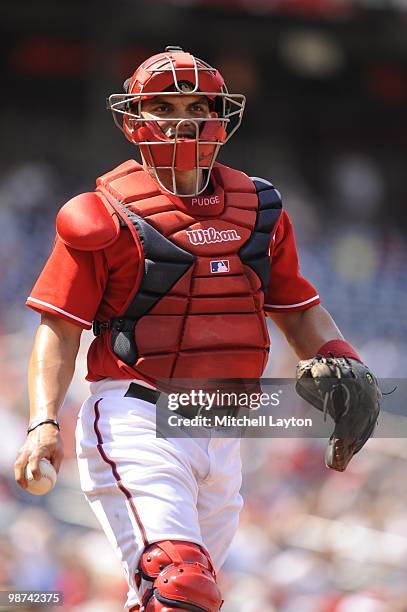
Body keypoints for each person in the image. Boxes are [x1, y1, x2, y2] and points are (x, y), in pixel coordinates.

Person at [14, 46, 371, 611]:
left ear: (220, 116)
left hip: (223, 428)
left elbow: (298, 308)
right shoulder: (99, 214)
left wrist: (341, 356)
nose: (183, 119)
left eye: (197, 105)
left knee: (174, 597)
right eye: (164, 106)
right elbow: (58, 328)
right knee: (178, 584)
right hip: (137, 415)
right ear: (133, 119)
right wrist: (42, 423)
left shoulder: (260, 207)